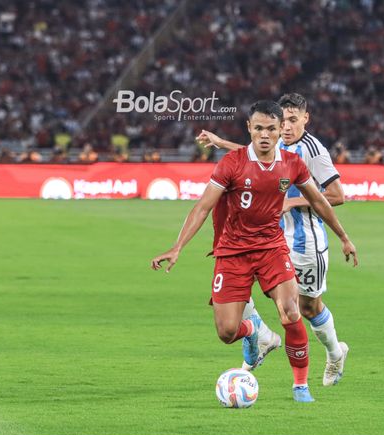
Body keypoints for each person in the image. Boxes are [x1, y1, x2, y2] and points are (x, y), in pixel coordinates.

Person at [152, 100, 358, 402]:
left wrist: (344, 236)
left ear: (279, 131)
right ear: (249, 128)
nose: (265, 134)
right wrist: (177, 247)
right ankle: (254, 332)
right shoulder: (231, 164)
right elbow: (203, 206)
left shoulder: (292, 163)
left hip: (272, 248)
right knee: (226, 332)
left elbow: (320, 201)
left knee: (291, 310)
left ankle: (301, 386)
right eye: (258, 128)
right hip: (233, 251)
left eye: (271, 129)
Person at [197, 93, 351, 387]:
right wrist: (222, 144)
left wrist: (292, 202)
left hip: (306, 241)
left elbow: (337, 196)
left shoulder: (313, 152)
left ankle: (334, 353)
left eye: (294, 120)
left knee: (308, 308)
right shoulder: (278, 144)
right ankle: (260, 335)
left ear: (306, 119)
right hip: (272, 238)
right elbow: (252, 154)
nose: (289, 127)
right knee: (238, 292)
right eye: (286, 121)